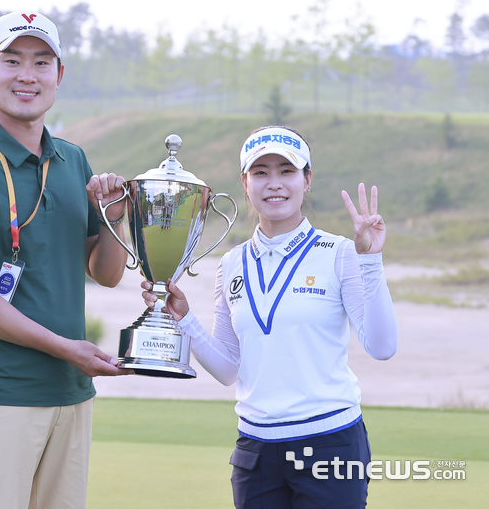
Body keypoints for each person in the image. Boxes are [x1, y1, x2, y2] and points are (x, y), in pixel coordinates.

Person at [0, 10, 132, 509]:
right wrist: (66, 347)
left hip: (70, 394)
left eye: (42, 62)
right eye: (12, 60)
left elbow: (104, 274)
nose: (27, 75)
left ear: (58, 76)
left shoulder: (73, 159)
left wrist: (116, 217)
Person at [142, 125, 398, 508]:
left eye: (286, 171)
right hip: (255, 451)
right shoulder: (231, 264)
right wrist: (185, 320)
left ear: (306, 180)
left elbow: (382, 347)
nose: (274, 183)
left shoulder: (340, 252)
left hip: (329, 444)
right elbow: (230, 369)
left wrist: (370, 259)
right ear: (245, 183)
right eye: (260, 173)